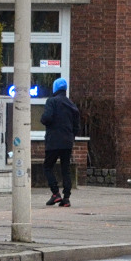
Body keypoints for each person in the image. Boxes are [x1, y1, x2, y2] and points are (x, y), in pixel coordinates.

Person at [41, 77, 80, 208]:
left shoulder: (51, 101)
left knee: (47, 166)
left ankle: (55, 193)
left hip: (53, 141)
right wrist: (71, 137)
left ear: (55, 88)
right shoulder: (72, 105)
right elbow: (77, 127)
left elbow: (46, 118)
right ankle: (66, 198)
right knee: (66, 169)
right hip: (67, 142)